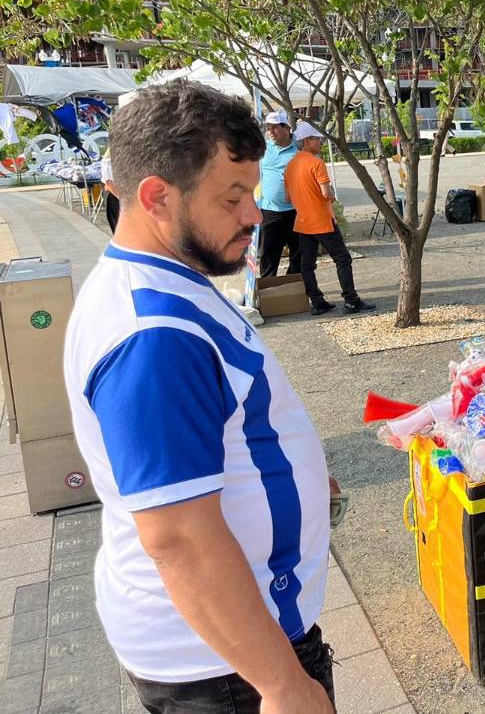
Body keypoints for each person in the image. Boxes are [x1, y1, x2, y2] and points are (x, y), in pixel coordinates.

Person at [63, 80, 336, 714]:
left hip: (229, 649)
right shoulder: (152, 337)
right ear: (157, 196)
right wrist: (284, 685)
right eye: (232, 198)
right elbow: (179, 538)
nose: (254, 215)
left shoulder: (169, 277)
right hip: (227, 668)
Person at [285, 121, 376, 315]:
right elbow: (326, 193)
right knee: (342, 259)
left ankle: (317, 302)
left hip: (302, 223)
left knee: (307, 265)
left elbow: (287, 197)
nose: (321, 143)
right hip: (322, 221)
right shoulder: (316, 163)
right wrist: (332, 193)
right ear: (307, 141)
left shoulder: (290, 166)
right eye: (318, 140)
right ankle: (351, 300)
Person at [258, 111, 301, 279]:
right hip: (269, 210)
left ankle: (292, 289)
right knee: (269, 254)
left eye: (275, 128)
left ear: (287, 128)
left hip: (295, 211)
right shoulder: (263, 149)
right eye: (268, 129)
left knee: (299, 253)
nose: (271, 132)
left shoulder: (299, 148)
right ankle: (268, 292)